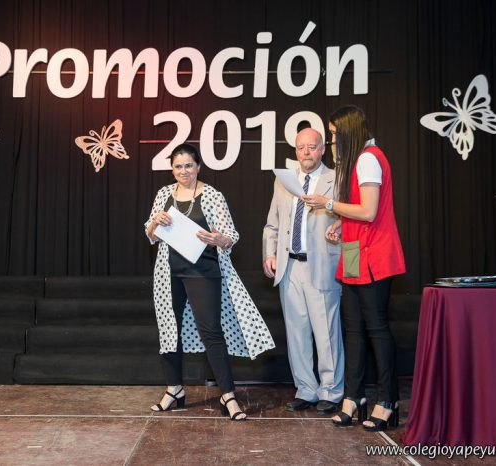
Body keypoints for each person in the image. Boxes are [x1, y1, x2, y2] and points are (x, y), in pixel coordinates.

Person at [145, 143, 275, 421]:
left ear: (198, 167)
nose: (184, 171)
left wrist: (219, 239)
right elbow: (151, 236)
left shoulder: (213, 195)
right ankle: (174, 389)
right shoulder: (164, 194)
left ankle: (228, 395)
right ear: (172, 169)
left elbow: (231, 236)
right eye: (178, 166)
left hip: (203, 272)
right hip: (169, 273)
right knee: (169, 330)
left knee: (211, 332)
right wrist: (154, 222)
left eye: (188, 166)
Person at [303, 105, 405, 431]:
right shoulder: (357, 160)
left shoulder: (369, 158)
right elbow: (357, 211)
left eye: (334, 134)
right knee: (353, 329)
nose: (333, 140)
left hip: (374, 253)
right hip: (352, 250)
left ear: (348, 131)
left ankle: (387, 400)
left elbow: (370, 211)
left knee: (376, 328)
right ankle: (354, 396)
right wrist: (340, 223)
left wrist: (329, 204)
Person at [262, 127, 344, 415]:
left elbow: (351, 218)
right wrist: (270, 253)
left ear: (322, 149)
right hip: (290, 266)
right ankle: (306, 389)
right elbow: (272, 223)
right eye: (300, 148)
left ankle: (331, 391)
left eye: (311, 147)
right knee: (297, 332)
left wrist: (341, 228)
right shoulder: (284, 180)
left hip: (322, 264)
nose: (305, 152)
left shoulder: (337, 178)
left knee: (326, 332)